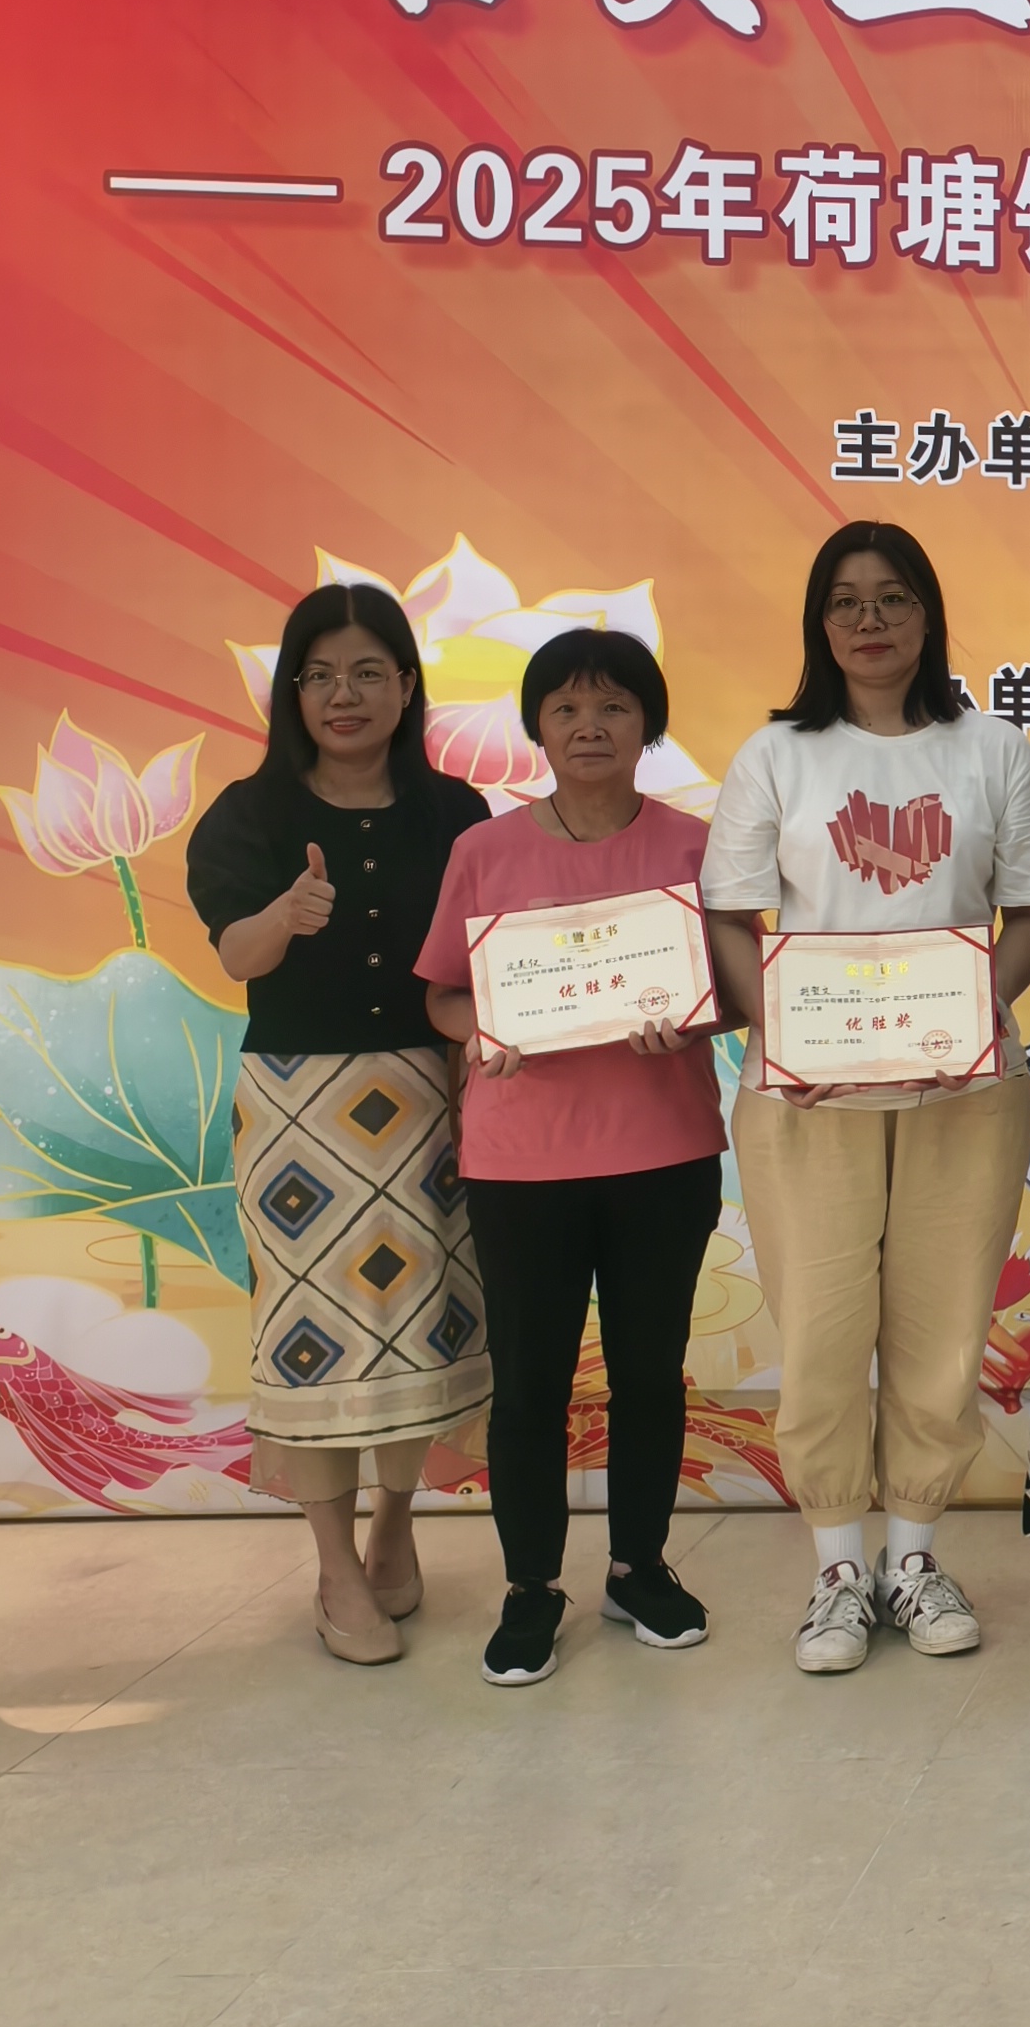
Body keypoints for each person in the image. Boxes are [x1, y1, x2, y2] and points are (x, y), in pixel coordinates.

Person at [703, 524, 1030, 1676]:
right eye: (846, 601)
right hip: (810, 1097)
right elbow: (729, 914)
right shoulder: (776, 755)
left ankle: (913, 1557)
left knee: (944, 1330)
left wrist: (971, 1016)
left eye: (893, 599)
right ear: (819, 621)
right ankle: (836, 1572)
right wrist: (784, 1029)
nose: (869, 621)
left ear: (927, 616)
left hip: (966, 1089)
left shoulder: (992, 749)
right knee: (820, 1332)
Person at [186, 582, 497, 1664]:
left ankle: (394, 1527)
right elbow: (237, 957)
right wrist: (284, 915)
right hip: (296, 1108)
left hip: (428, 1097)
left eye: (367, 672)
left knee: (423, 1321)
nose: (343, 694)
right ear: (291, 692)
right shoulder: (249, 814)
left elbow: (483, 961)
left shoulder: (456, 813)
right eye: (318, 675)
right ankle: (333, 1567)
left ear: (407, 685)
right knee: (310, 1337)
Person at [416, 630, 724, 1686]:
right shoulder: (485, 851)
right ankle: (530, 1587)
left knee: (648, 1374)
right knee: (529, 1385)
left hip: (664, 1152)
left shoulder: (695, 847)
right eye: (566, 709)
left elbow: (733, 990)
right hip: (520, 1163)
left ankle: (640, 1567)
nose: (590, 727)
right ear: (538, 728)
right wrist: (483, 1026)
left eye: (614, 708)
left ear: (649, 725)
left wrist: (690, 1020)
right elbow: (443, 993)